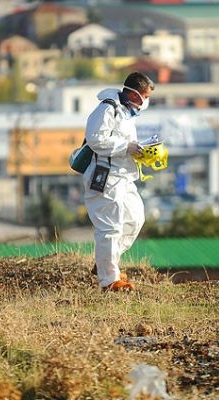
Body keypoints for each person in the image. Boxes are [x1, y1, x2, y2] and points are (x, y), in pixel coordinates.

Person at [83, 72, 155, 291]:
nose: (146, 101)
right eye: (144, 96)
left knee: (135, 218)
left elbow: (124, 142)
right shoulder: (107, 109)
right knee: (110, 227)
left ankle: (106, 262)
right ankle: (109, 281)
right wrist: (127, 147)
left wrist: (139, 151)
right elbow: (95, 139)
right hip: (106, 177)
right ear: (134, 94)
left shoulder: (126, 114)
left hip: (124, 177)